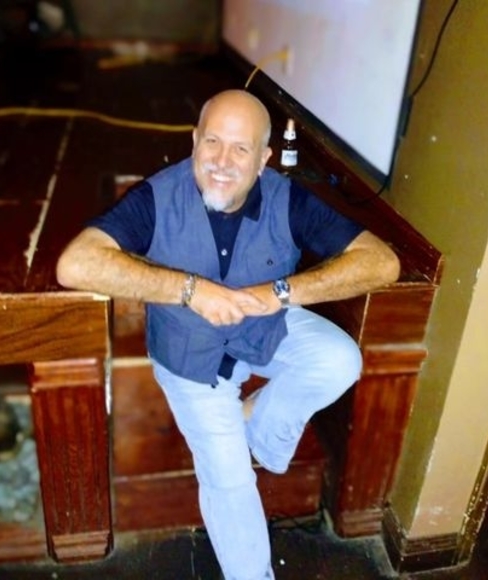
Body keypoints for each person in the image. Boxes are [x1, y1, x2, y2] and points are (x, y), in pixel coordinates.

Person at [56, 89, 400, 580]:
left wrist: (279, 293)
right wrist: (189, 290)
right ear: (194, 141)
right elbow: (76, 264)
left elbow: (381, 262)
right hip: (189, 357)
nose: (221, 161)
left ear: (263, 159)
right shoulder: (157, 196)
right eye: (212, 141)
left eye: (241, 148)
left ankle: (259, 429)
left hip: (261, 329)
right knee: (230, 478)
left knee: (340, 359)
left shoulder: (287, 198)